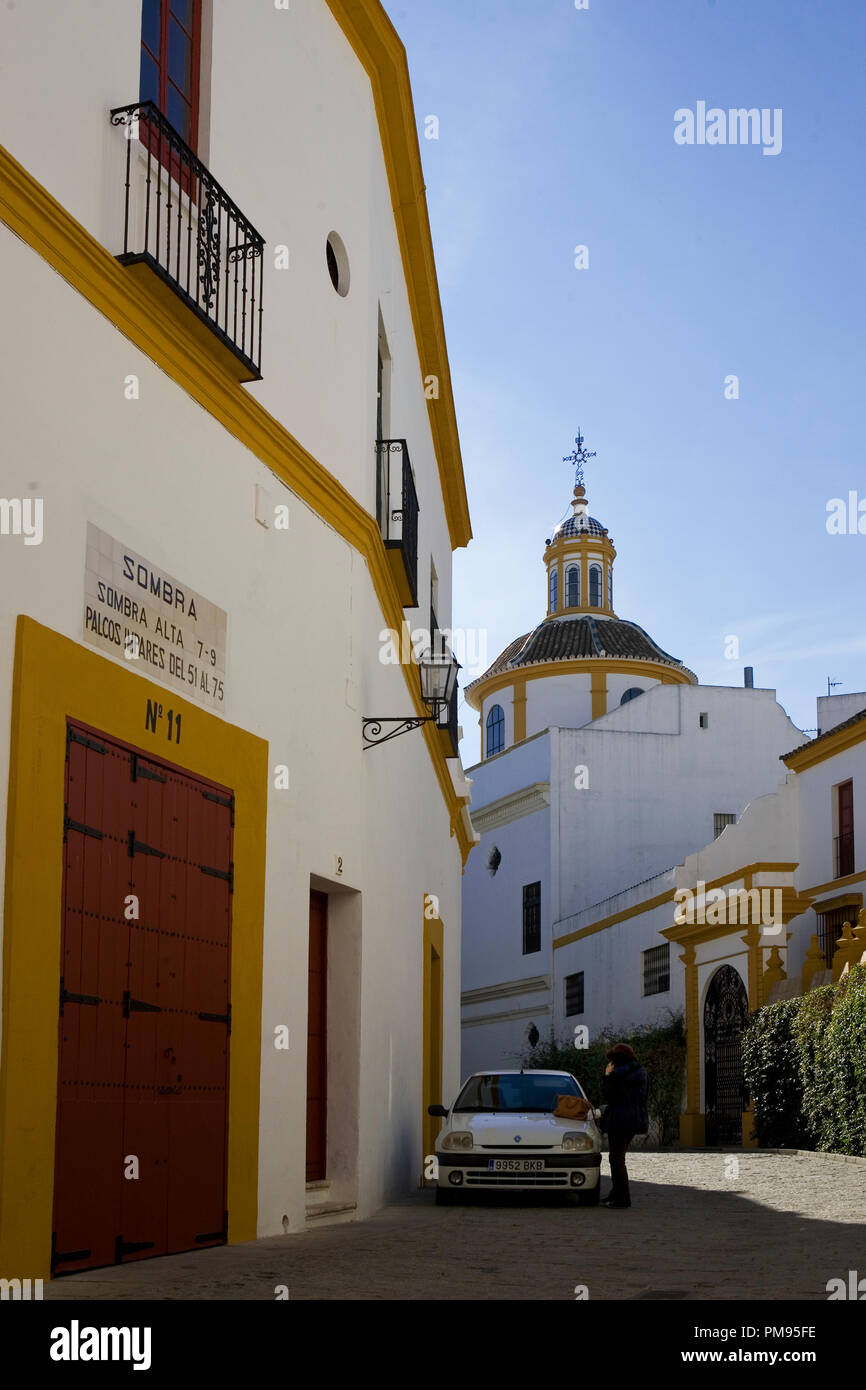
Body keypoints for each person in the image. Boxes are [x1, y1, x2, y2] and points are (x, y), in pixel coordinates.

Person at [600, 1043, 649, 1208]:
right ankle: (615, 1194)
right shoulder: (641, 1072)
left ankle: (622, 1198)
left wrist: (607, 1076)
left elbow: (609, 1095)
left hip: (619, 1119)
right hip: (635, 1119)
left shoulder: (617, 1075)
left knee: (616, 1159)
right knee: (619, 1157)